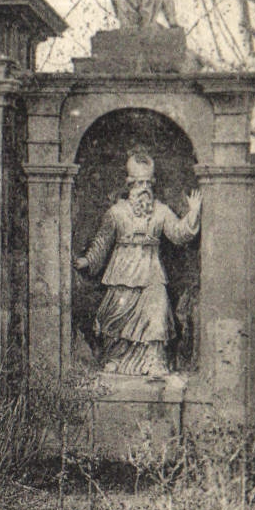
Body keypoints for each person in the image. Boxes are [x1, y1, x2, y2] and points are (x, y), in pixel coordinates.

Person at [74, 151, 202, 377]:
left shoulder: (161, 210)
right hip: (122, 271)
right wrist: (86, 261)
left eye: (147, 182)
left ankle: (155, 362)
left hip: (151, 271)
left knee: (158, 313)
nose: (143, 188)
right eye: (138, 182)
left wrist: (193, 213)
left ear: (152, 183)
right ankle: (115, 356)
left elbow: (178, 233)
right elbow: (102, 242)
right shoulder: (116, 212)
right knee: (117, 315)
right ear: (129, 183)